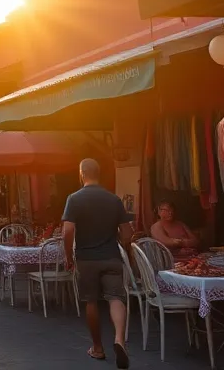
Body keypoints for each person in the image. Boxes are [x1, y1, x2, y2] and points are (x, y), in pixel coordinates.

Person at [62, 158, 135, 368]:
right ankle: (120, 340)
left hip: (87, 259)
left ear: (82, 173)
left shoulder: (74, 199)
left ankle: (98, 348)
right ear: (99, 173)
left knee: (91, 301)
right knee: (116, 298)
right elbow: (128, 233)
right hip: (112, 256)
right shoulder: (114, 199)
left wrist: (68, 256)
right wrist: (126, 249)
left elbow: (68, 231)